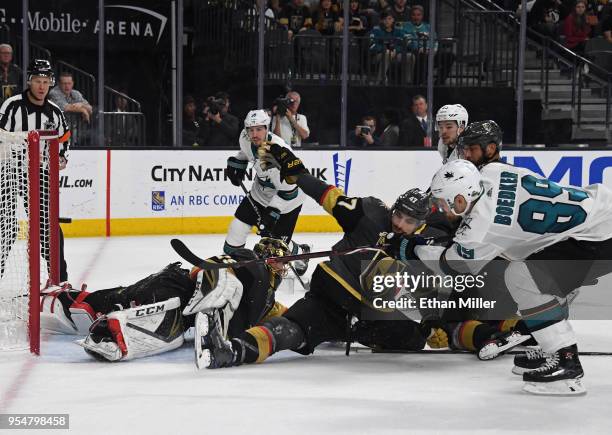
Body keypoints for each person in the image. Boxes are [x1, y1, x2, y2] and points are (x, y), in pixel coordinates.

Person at [197, 144, 457, 369]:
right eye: (398, 214)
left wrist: (432, 325)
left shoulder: (425, 246)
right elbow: (329, 196)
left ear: (420, 224)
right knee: (294, 324)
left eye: (408, 221)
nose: (399, 223)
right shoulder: (370, 213)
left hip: (359, 310)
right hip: (336, 285)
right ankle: (230, 349)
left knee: (295, 330)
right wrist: (298, 175)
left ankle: (232, 351)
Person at [415, 127, 612, 395]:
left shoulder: (480, 229)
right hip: (600, 208)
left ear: (460, 199)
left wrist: (415, 247)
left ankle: (566, 364)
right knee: (536, 272)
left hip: (598, 237)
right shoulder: (492, 172)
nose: (442, 208)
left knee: (523, 277)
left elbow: (452, 266)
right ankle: (549, 346)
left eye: (443, 202)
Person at [39, 238, 293, 362]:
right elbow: (202, 270)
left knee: (155, 323)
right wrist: (212, 297)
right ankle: (60, 299)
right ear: (269, 259)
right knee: (115, 299)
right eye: (282, 263)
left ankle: (109, 330)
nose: (284, 271)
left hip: (178, 304)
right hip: (174, 286)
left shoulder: (266, 296)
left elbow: (286, 314)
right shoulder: (247, 262)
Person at [0, 59, 70, 282]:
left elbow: (64, 138)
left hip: (38, 175)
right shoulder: (12, 106)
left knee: (49, 228)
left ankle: (59, 280)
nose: (42, 86)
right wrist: (21, 144)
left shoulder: (55, 112)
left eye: (46, 81)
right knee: (6, 228)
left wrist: (60, 156)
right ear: (30, 81)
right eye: (38, 81)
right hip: (8, 173)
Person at [224, 109, 310, 275]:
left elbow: (289, 190)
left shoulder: (278, 152)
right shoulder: (244, 137)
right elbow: (244, 152)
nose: (254, 134)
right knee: (236, 231)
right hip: (260, 194)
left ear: (267, 128)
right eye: (251, 129)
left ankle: (300, 255)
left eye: (259, 129)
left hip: (289, 200)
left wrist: (272, 212)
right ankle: (236, 272)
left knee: (275, 249)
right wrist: (237, 164)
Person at [404, 5, 455, 85]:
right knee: (423, 56)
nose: (416, 17)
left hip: (431, 52)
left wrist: (433, 50)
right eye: (414, 15)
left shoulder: (428, 27)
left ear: (422, 16)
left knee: (450, 56)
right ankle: (422, 82)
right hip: (417, 53)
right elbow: (409, 42)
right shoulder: (406, 26)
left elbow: (435, 41)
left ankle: (439, 82)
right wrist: (420, 49)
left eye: (418, 15)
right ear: (411, 16)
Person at [369, 11, 413, 84]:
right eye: (384, 19)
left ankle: (407, 82)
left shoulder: (398, 31)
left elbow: (409, 44)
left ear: (393, 20)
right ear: (381, 20)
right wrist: (385, 49)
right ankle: (380, 81)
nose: (386, 21)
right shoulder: (376, 30)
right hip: (378, 56)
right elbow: (371, 46)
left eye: (389, 19)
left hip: (395, 55)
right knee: (387, 54)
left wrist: (396, 50)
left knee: (409, 56)